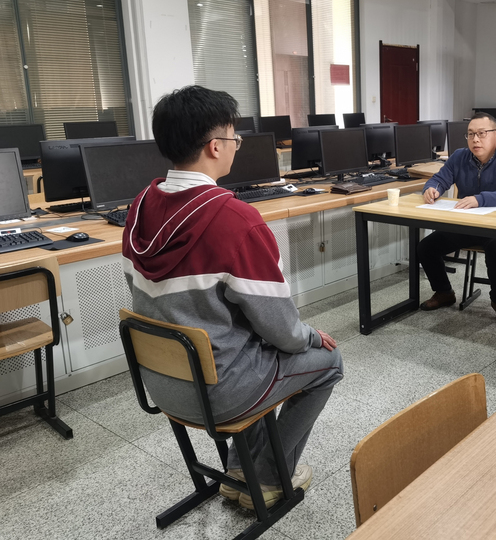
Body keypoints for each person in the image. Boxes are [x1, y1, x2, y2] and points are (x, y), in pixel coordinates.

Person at [121, 85, 343, 509]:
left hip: (161, 383)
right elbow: (283, 330)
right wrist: (313, 336)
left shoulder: (140, 206)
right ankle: (270, 479)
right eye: (234, 138)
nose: (236, 146)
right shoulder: (236, 220)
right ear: (215, 146)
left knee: (250, 346)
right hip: (218, 394)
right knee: (328, 362)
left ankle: (240, 472)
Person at [417, 112, 496, 326]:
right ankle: (444, 292)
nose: (475, 139)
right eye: (470, 134)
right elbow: (439, 179)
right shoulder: (459, 156)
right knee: (426, 247)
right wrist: (432, 189)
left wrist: (480, 199)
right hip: (467, 224)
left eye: (482, 133)